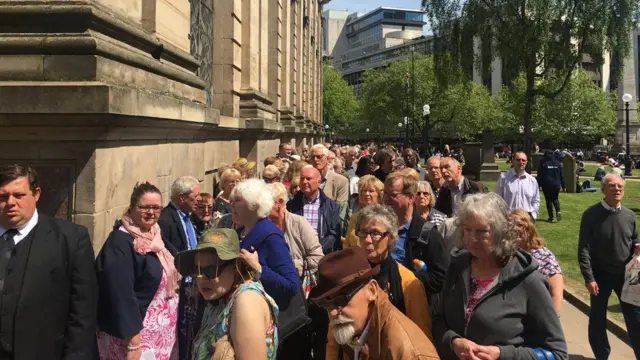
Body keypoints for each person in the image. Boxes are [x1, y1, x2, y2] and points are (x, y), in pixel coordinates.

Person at [433, 193, 567, 360]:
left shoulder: (528, 280)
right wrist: (453, 341)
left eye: (482, 231)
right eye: (467, 229)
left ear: (501, 232)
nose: (472, 238)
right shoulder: (457, 266)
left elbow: (556, 354)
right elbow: (438, 320)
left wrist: (502, 354)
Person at [0, 164, 97, 359]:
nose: (10, 202)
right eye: (2, 196)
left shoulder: (71, 239)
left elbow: (83, 314)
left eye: (19, 195)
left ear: (36, 194)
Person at [97, 182, 180, 359]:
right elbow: (120, 294)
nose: (151, 212)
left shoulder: (156, 233)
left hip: (163, 333)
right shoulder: (119, 242)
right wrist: (134, 342)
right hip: (135, 338)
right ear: (132, 208)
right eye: (145, 207)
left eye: (156, 208)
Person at [311, 246, 440, 360]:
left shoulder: (409, 353)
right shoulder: (354, 325)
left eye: (342, 300)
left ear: (372, 290)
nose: (333, 312)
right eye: (327, 303)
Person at [175, 228, 279, 360]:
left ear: (235, 267)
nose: (201, 278)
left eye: (211, 270)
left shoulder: (247, 301)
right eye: (197, 270)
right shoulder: (220, 297)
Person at [578, 174, 640, 359]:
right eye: (612, 186)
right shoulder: (591, 215)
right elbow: (584, 249)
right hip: (600, 276)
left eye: (620, 186)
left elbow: (633, 238)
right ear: (603, 189)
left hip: (625, 276)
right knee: (597, 318)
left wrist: (637, 245)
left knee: (636, 318)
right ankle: (601, 355)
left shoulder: (629, 215)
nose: (617, 189)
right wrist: (589, 278)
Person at [383, 172, 449, 310]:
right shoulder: (380, 228)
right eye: (385, 193)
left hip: (413, 309)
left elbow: (440, 279)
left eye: (393, 195)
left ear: (410, 197)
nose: (386, 199)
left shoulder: (428, 234)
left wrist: (409, 277)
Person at [229, 179, 299, 308]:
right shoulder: (238, 233)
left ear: (254, 205)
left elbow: (291, 286)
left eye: (237, 200)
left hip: (261, 315)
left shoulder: (271, 236)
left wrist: (258, 268)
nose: (231, 204)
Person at [158, 175, 201, 360]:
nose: (199, 200)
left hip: (192, 284)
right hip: (177, 286)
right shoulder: (165, 219)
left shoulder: (188, 217)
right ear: (182, 197)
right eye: (196, 196)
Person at [511, 209, 564, 314]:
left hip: (537, 315)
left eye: (520, 225)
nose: (515, 228)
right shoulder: (507, 253)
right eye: (510, 225)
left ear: (530, 229)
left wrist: (550, 323)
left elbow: (556, 295)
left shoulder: (544, 256)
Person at [266, 182, 323, 277]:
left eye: (265, 203)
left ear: (279, 202)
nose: (261, 207)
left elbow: (318, 258)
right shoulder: (262, 225)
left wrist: (289, 265)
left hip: (299, 285)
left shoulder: (299, 223)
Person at [287, 166, 342, 254]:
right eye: (302, 178)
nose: (304, 181)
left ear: (319, 182)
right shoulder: (291, 206)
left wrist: (318, 249)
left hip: (321, 255)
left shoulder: (331, 206)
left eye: (308, 178)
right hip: (297, 255)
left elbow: (334, 234)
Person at [495, 152, 540, 221]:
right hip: (509, 219)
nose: (521, 162)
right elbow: (498, 200)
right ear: (513, 161)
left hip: (527, 219)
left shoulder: (532, 180)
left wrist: (533, 215)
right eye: (518, 160)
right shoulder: (504, 178)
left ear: (526, 162)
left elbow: (535, 200)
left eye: (523, 160)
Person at [343, 175, 384, 249]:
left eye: (371, 191)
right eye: (364, 191)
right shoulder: (355, 217)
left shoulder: (385, 217)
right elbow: (347, 243)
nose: (367, 194)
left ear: (379, 194)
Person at [538, 150, 565, 222]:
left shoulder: (543, 163)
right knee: (555, 198)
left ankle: (551, 217)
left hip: (547, 184)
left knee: (548, 200)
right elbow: (561, 175)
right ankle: (558, 211)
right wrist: (563, 185)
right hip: (556, 184)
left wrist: (538, 184)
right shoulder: (558, 163)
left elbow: (540, 174)